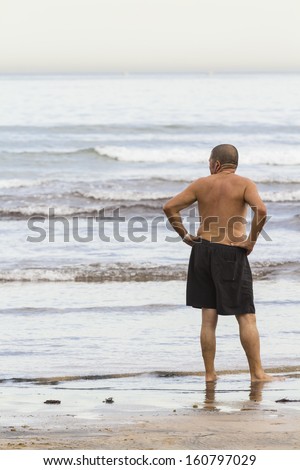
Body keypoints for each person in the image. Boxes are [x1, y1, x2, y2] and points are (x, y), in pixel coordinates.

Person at [163, 144, 275, 382]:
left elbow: (169, 207)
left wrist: (184, 235)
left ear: (215, 163)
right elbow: (261, 211)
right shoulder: (244, 183)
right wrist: (251, 241)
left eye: (209, 162)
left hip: (202, 250)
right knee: (246, 315)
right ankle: (257, 374)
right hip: (230, 251)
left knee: (208, 317)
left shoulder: (201, 184)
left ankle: (210, 374)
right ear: (234, 164)